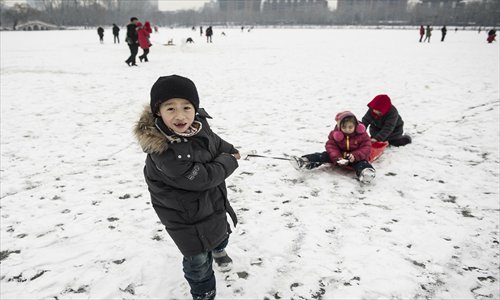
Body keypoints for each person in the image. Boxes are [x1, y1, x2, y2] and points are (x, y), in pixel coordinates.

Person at [134, 75, 241, 300]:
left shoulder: (198, 124)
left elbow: (214, 141)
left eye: (186, 107)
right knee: (198, 261)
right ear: (158, 112)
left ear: (195, 108)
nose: (180, 115)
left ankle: (220, 249)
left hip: (210, 200)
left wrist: (229, 149)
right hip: (184, 217)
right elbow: (202, 178)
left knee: (220, 231)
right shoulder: (164, 153)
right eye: (170, 108)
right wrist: (230, 161)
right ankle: (203, 293)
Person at [291, 111, 376, 183]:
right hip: (338, 157)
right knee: (322, 156)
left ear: (356, 126)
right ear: (339, 127)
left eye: (350, 127)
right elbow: (331, 146)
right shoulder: (335, 135)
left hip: (354, 158)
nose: (347, 129)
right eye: (344, 127)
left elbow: (366, 147)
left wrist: (355, 156)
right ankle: (305, 161)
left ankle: (366, 173)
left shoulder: (362, 135)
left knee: (362, 163)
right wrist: (337, 157)